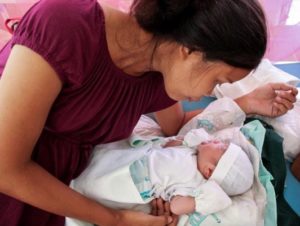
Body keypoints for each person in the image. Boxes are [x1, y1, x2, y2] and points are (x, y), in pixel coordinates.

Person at [0, 0, 297, 225]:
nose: (211, 92)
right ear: (191, 50)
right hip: (18, 183)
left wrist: (247, 103)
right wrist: (116, 219)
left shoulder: (158, 75)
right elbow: (6, 168)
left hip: (61, 192)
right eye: (218, 80)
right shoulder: (66, 25)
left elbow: (177, 127)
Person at [67, 139, 254, 226]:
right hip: (133, 159)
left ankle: (81, 190)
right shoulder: (191, 151)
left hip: (133, 182)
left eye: (221, 147)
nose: (218, 140)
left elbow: (176, 206)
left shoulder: (194, 184)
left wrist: (196, 203)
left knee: (101, 184)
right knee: (102, 160)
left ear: (209, 170)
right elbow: (167, 146)